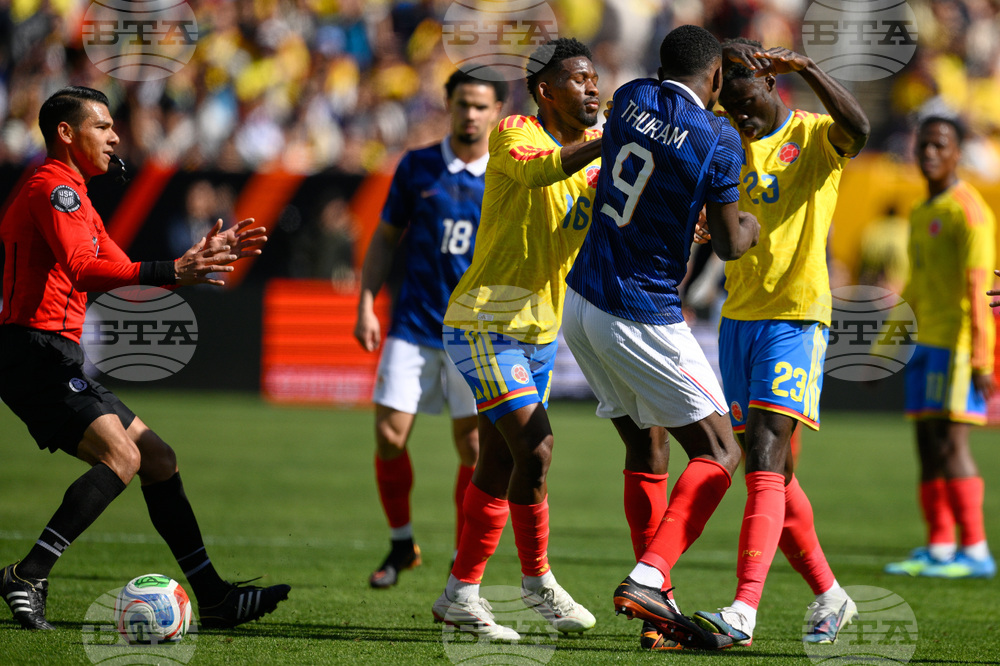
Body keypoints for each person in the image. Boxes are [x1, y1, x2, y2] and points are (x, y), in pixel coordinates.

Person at [0, 86, 287, 630]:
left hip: (54, 354)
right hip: (31, 353)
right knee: (123, 459)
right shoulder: (50, 187)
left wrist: (189, 262)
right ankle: (29, 572)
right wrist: (173, 269)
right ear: (66, 133)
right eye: (103, 127)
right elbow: (85, 268)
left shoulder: (77, 196)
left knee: (158, 458)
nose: (115, 137)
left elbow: (120, 264)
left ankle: (215, 598)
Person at [560, 25, 758, 651]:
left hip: (582, 303)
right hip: (640, 311)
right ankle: (650, 575)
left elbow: (648, 170)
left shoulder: (631, 97)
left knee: (648, 447)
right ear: (718, 78)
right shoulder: (720, 140)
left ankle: (656, 611)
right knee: (723, 450)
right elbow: (727, 244)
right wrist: (747, 225)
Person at [690, 39, 871, 646]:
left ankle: (743, 610)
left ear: (770, 87)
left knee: (764, 453)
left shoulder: (816, 135)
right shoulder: (721, 139)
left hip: (796, 316)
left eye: (745, 101)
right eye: (728, 104)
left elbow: (861, 128)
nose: (738, 114)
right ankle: (830, 594)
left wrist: (811, 67)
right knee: (776, 473)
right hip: (737, 318)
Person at [431, 38, 603, 641]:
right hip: (484, 321)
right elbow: (544, 170)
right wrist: (617, 138)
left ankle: (460, 593)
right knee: (539, 447)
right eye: (578, 79)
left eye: (595, 79)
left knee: (503, 460)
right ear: (545, 91)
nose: (592, 88)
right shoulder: (515, 133)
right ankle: (538, 583)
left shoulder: (599, 160)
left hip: (539, 332)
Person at [354, 69, 507, 588]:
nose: (470, 114)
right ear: (448, 104)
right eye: (463, 104)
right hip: (413, 323)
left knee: (473, 449)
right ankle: (402, 544)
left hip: (477, 332)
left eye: (481, 107)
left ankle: (462, 558)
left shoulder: (508, 173)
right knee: (389, 434)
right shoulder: (417, 166)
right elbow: (384, 238)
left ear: (497, 113)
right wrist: (365, 303)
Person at [883, 116, 996, 579]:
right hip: (924, 344)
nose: (929, 153)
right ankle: (939, 546)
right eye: (923, 145)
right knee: (927, 445)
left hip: (957, 344)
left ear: (957, 153)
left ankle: (976, 549)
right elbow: (912, 286)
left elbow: (978, 290)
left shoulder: (969, 212)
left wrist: (984, 358)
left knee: (952, 444)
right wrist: (885, 348)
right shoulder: (920, 210)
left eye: (940, 146)